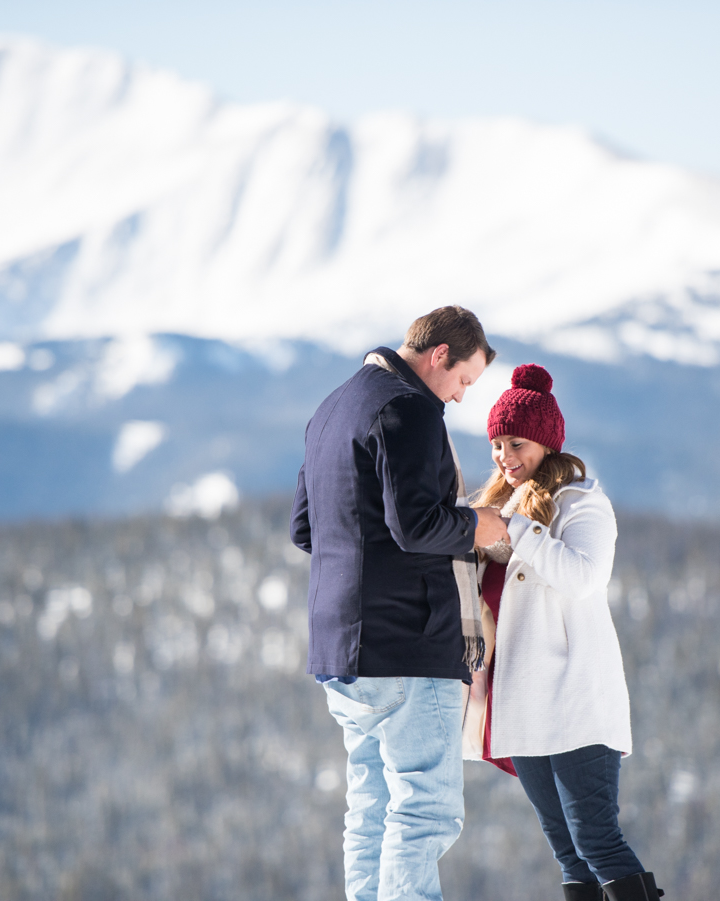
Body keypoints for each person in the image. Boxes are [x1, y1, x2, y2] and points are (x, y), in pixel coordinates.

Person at [290, 306, 509, 901]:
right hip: (409, 644)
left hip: (341, 651)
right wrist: (477, 526)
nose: (461, 397)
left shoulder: (331, 409)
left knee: (370, 807)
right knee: (424, 811)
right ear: (438, 355)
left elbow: (307, 529)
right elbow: (415, 526)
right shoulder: (411, 409)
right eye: (464, 380)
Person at [465, 363, 664, 901]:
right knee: (569, 855)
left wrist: (514, 529)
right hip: (523, 704)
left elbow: (583, 578)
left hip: (576, 702)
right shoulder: (499, 508)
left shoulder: (581, 503)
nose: (504, 456)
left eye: (516, 444)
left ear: (546, 444)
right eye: (497, 445)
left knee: (597, 842)